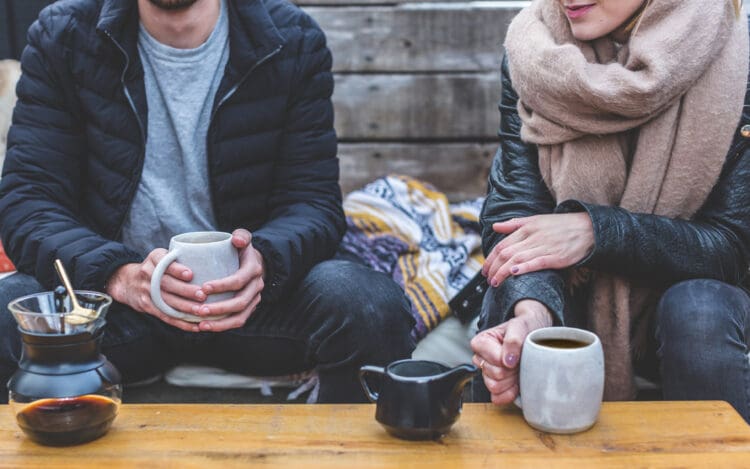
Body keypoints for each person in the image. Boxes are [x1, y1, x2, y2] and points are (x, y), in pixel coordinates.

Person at [0, 0, 416, 403]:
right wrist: (119, 277)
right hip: (115, 310)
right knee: (7, 306)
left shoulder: (291, 37)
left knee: (368, 304)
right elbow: (29, 202)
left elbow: (314, 203)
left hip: (250, 306)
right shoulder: (64, 34)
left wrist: (265, 263)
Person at [471, 0, 750, 423]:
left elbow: (732, 246)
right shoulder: (535, 50)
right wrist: (532, 312)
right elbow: (516, 213)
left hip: (687, 313)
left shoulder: (738, 53)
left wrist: (596, 233)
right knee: (507, 298)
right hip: (574, 299)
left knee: (698, 311)